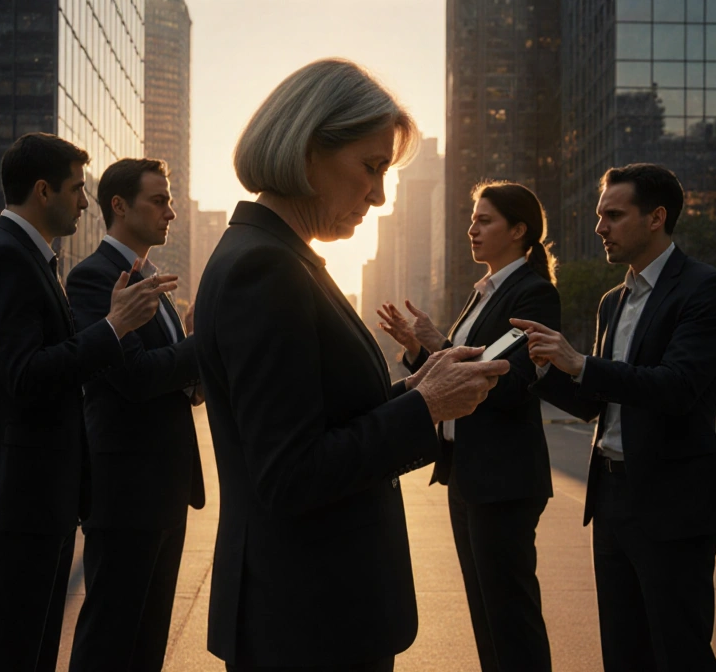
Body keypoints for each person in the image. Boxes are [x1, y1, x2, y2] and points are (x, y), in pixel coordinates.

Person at [193, 58, 511, 672]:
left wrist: (414, 388)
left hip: (311, 612)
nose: (379, 193)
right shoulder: (266, 269)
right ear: (308, 148)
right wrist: (426, 407)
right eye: (371, 167)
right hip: (307, 622)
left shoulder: (282, 257)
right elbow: (290, 473)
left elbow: (317, 412)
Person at [0, 133, 177, 672]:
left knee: (31, 652)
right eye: (76, 189)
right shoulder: (4, 258)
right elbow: (25, 375)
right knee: (12, 654)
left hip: (34, 495)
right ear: (43, 191)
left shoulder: (27, 257)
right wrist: (115, 328)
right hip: (16, 495)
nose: (85, 202)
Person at [514, 163, 716, 672]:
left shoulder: (708, 290)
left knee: (678, 652)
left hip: (673, 500)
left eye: (614, 216)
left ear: (657, 217)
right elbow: (600, 403)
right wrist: (546, 371)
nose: (600, 227)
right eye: (600, 216)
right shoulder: (612, 300)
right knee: (622, 653)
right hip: (612, 497)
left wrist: (582, 362)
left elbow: (678, 387)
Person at [376, 181, 561, 672]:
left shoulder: (531, 293)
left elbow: (512, 379)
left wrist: (440, 351)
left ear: (519, 230)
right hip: (469, 473)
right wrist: (423, 349)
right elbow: (461, 366)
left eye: (485, 220)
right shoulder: (486, 292)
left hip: (503, 477)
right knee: (486, 613)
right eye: (473, 219)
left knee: (510, 616)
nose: (472, 229)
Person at [65, 158, 206, 671]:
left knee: (147, 641)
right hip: (125, 491)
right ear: (119, 207)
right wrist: (203, 346)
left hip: (165, 488)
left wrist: (193, 357)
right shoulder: (92, 279)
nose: (170, 212)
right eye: (160, 200)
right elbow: (134, 378)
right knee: (110, 637)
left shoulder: (150, 279)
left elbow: (169, 379)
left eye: (170, 201)